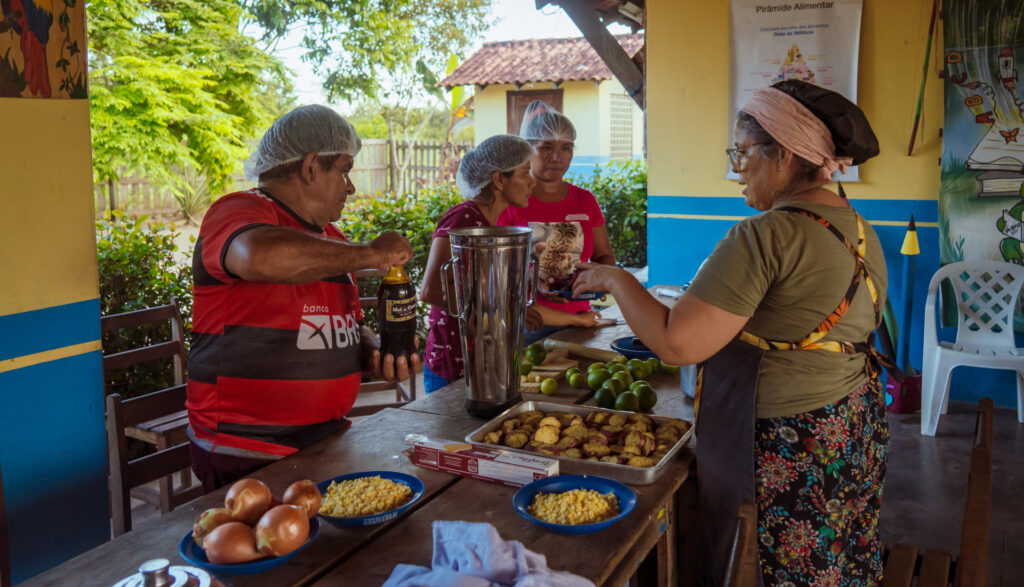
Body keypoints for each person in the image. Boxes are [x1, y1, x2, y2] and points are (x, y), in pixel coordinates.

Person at [572, 80, 889, 584]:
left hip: (787, 441)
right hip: (848, 425)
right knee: (833, 557)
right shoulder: (857, 228)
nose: (735, 168)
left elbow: (677, 343)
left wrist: (616, 279)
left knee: (768, 566)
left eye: (742, 152)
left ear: (783, 155)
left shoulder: (766, 235)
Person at [186, 104, 421, 491]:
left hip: (324, 441)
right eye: (344, 170)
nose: (351, 186)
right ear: (311, 167)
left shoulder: (332, 240)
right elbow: (260, 256)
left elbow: (348, 325)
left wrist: (374, 353)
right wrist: (371, 254)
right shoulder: (238, 211)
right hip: (248, 452)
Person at [497, 100, 613, 344]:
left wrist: (604, 280)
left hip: (582, 322)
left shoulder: (585, 200)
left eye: (566, 148)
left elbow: (604, 256)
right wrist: (532, 277)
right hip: (528, 326)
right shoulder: (510, 203)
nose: (557, 157)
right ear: (527, 150)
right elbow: (495, 271)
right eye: (546, 147)